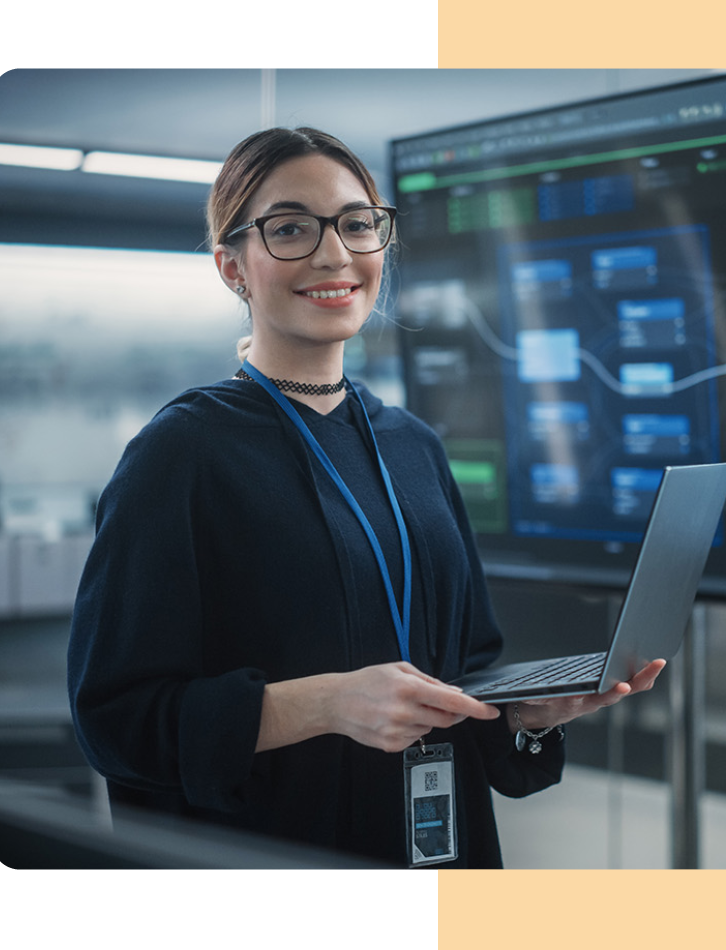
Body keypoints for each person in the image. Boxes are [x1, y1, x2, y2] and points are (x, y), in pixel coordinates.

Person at [67, 126, 664, 868]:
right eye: (290, 229)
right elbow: (117, 723)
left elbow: (468, 668)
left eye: (356, 224)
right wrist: (321, 704)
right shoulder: (181, 455)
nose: (334, 254)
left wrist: (524, 714)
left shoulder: (415, 446)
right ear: (233, 268)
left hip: (438, 851)